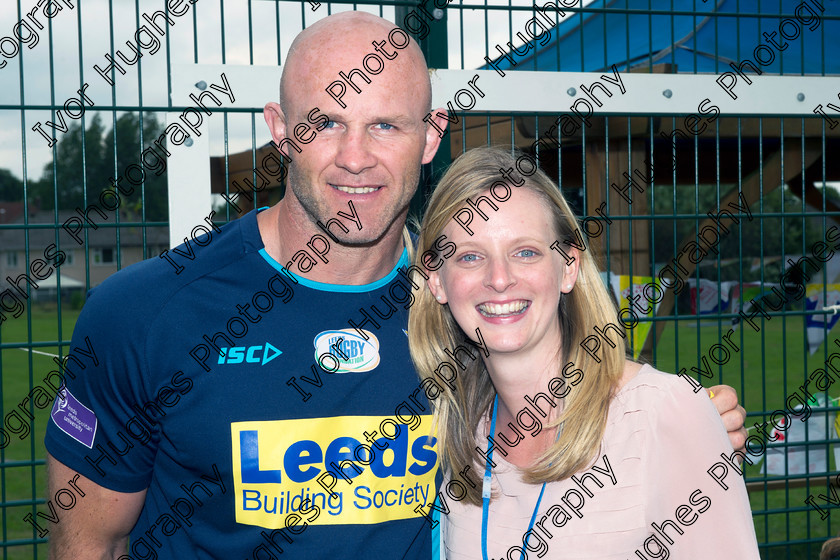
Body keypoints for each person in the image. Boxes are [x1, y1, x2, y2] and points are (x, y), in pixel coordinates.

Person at [43, 11, 746, 560]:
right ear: (280, 131)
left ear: (432, 134)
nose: (356, 157)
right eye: (325, 125)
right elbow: (90, 542)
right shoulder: (142, 314)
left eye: (385, 123)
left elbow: (575, 390)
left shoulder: (464, 303)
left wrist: (685, 421)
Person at [407, 145, 760, 559]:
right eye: (469, 256)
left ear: (569, 267)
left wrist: (694, 423)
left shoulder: (661, 412)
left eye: (525, 252)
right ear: (436, 281)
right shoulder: (461, 429)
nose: (499, 279)